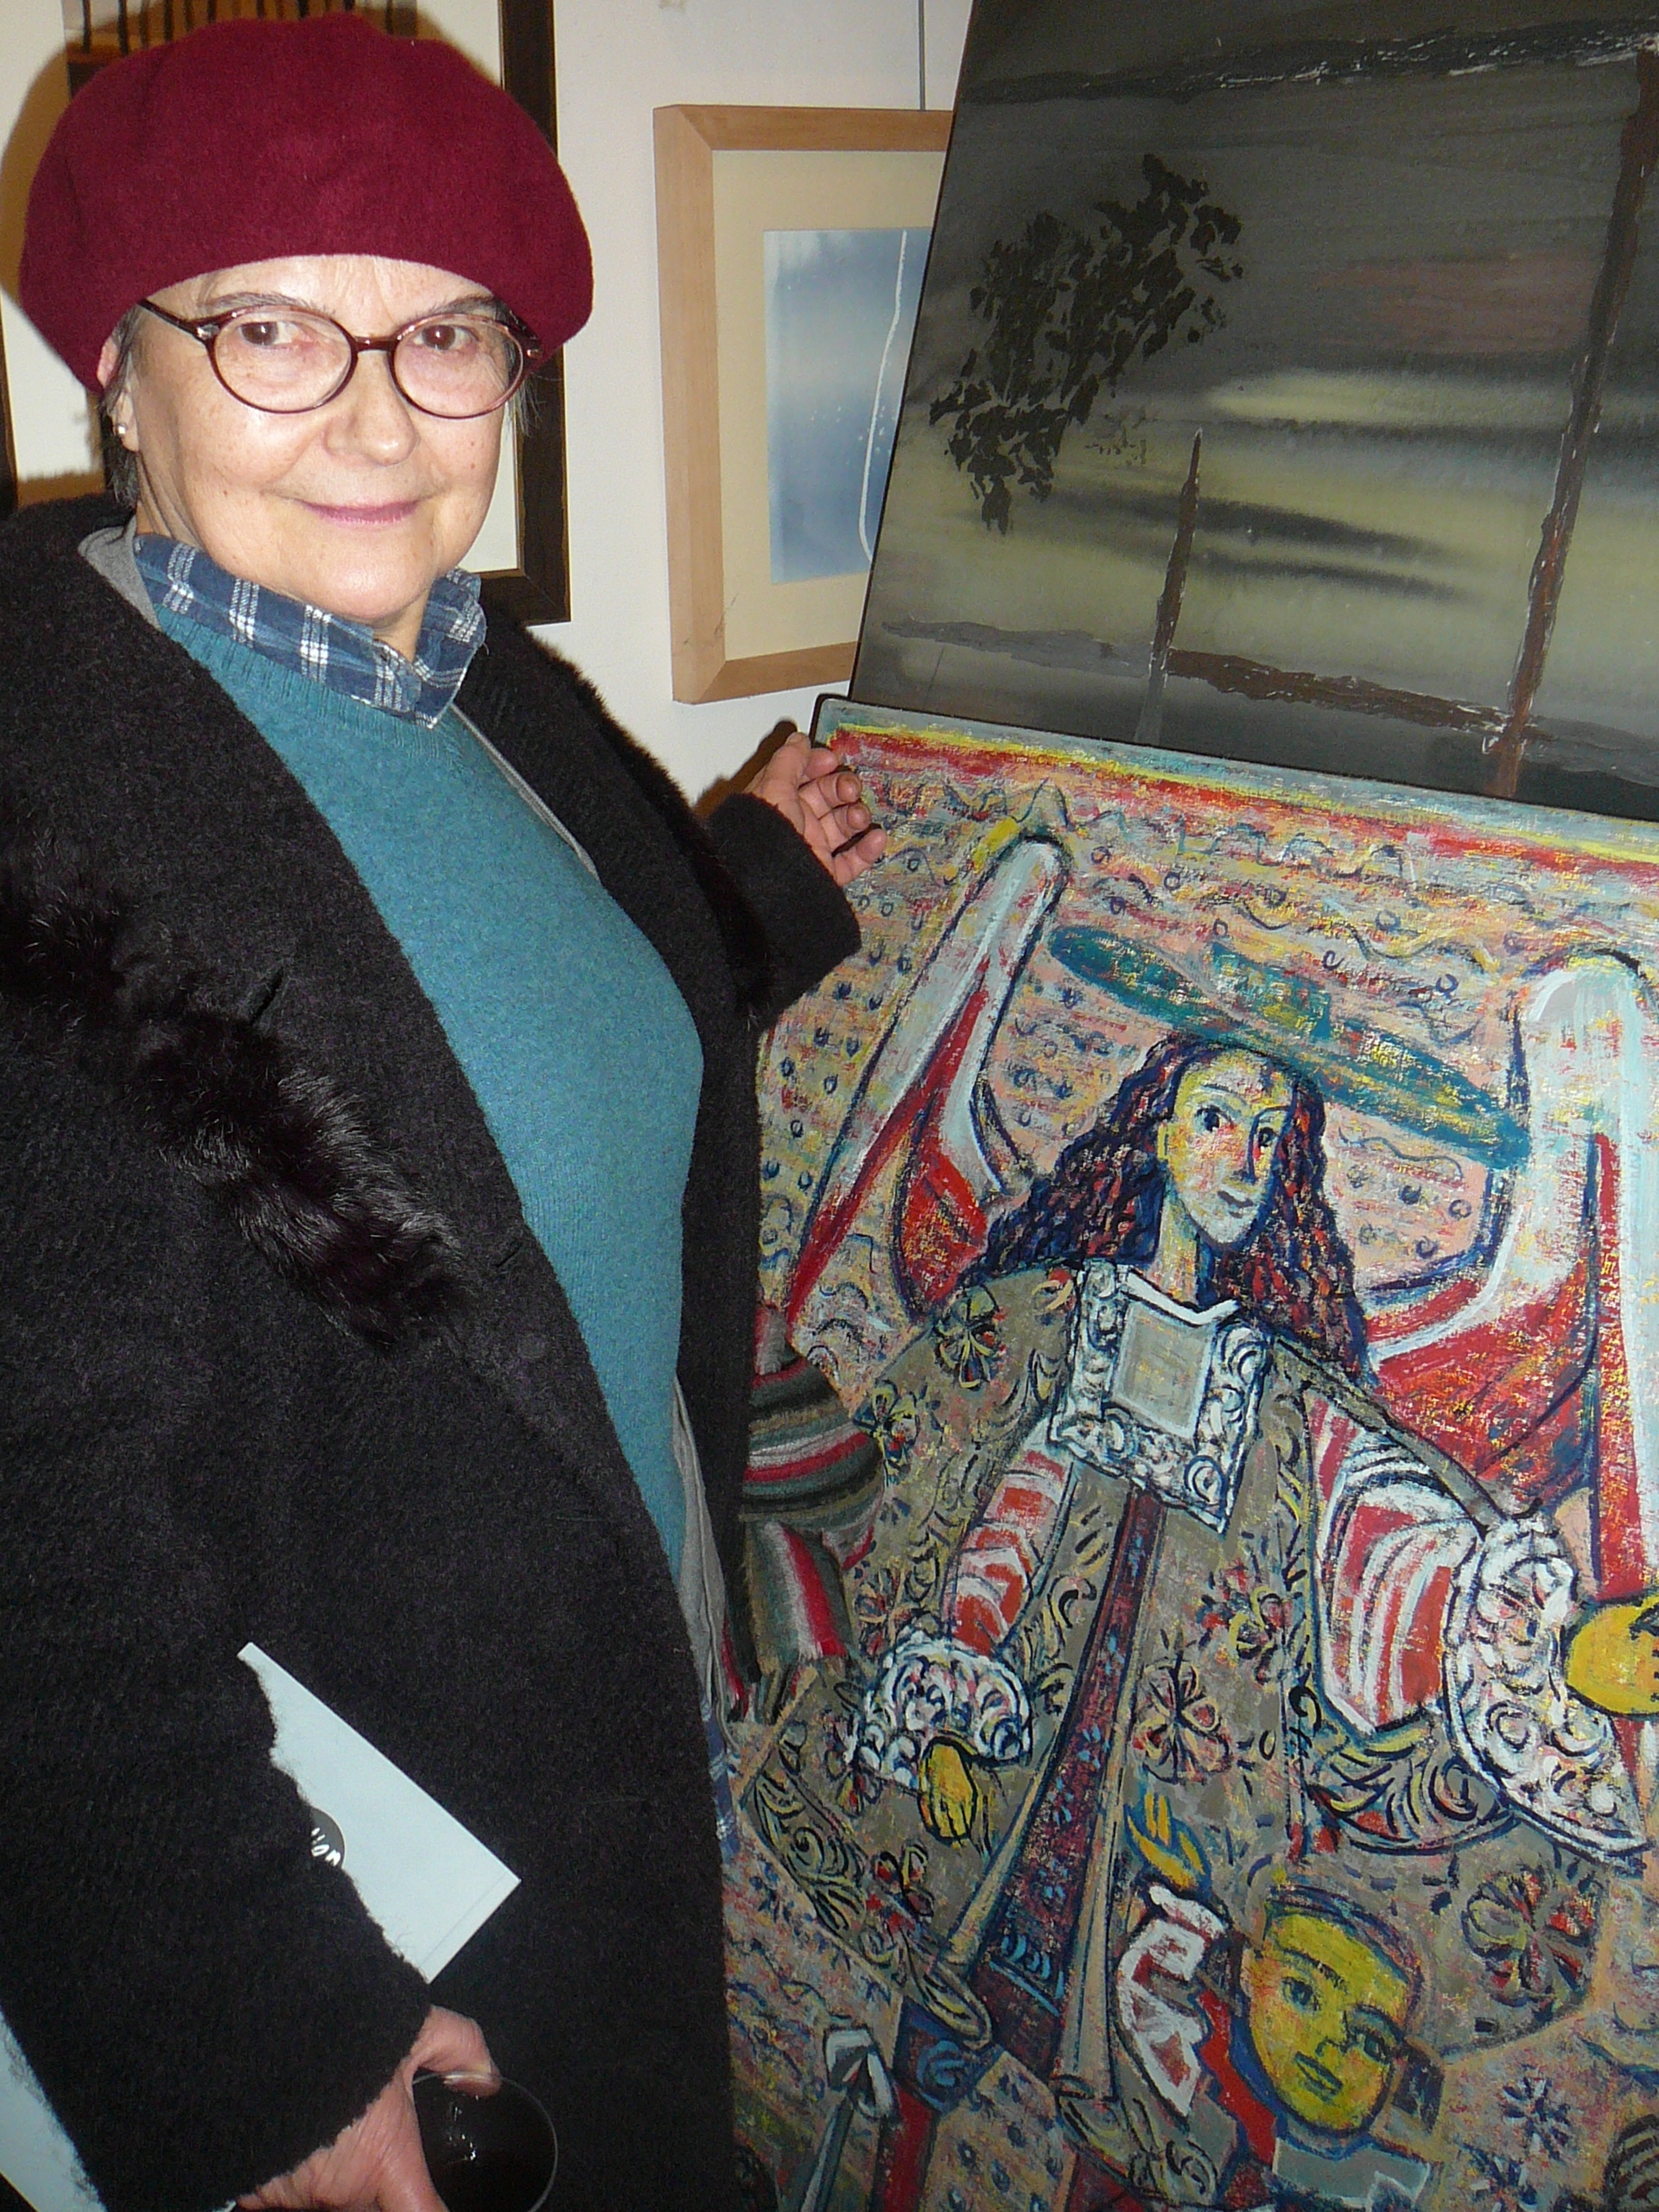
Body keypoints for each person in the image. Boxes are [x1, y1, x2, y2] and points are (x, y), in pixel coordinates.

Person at [0, 16, 881, 2212]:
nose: (382, 417)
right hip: (351, 1893)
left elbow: (447, 1062)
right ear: (121, 368)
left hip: (590, 1720)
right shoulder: (39, 822)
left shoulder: (479, 692)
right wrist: (260, 2038)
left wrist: (739, 899)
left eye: (448, 335)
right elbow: (32, 1533)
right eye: (274, 330)